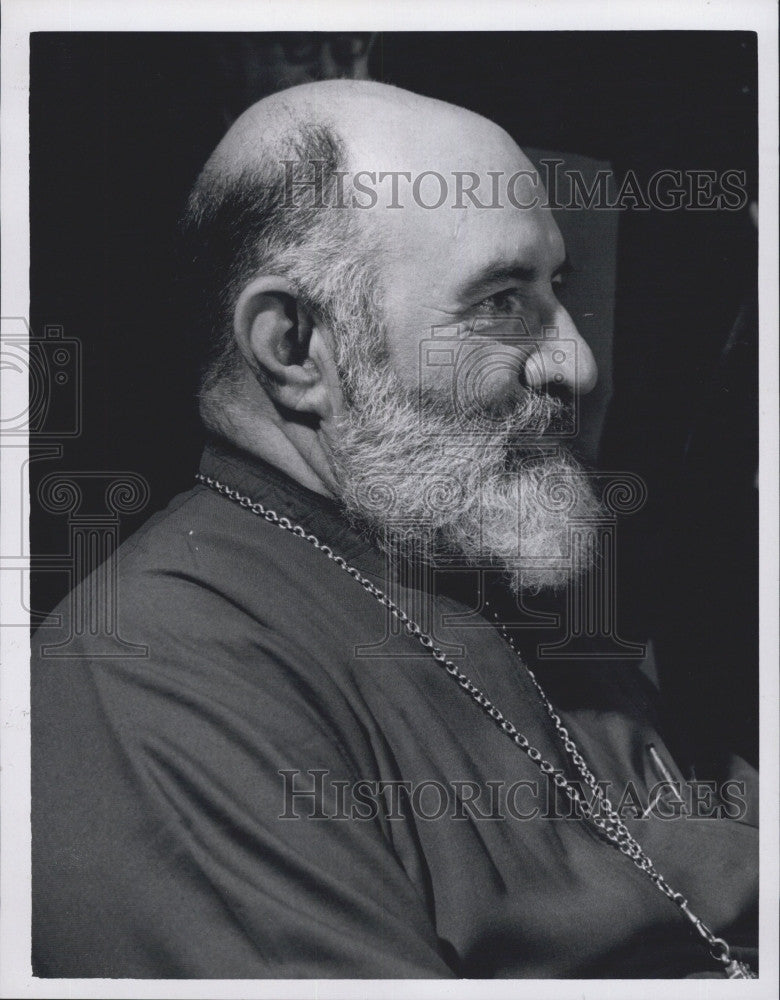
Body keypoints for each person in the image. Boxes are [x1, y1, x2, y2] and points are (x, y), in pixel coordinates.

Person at [31, 80, 757, 979]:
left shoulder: (482, 567)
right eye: (500, 300)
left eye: (557, 287)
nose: (577, 361)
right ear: (296, 346)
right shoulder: (148, 669)